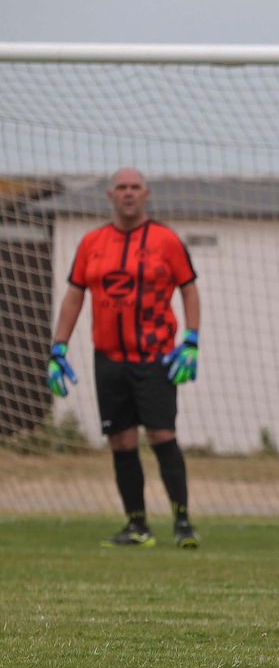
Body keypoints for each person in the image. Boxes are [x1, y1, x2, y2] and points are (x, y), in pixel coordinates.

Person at [47, 167, 202, 548]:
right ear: (110, 196)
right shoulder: (91, 243)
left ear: (146, 194)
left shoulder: (166, 240)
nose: (128, 193)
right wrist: (58, 347)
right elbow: (73, 296)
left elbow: (189, 291)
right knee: (120, 440)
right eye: (121, 187)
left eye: (135, 187)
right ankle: (137, 525)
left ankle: (182, 523)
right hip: (109, 359)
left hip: (155, 358)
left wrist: (191, 341)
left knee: (163, 436)